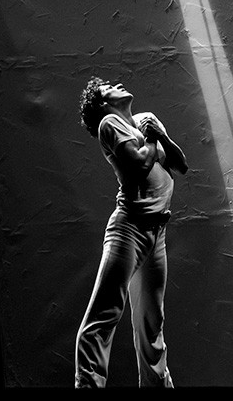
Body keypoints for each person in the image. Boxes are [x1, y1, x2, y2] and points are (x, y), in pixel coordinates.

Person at [74, 76, 188, 388]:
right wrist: (151, 140)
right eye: (107, 86)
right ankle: (87, 384)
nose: (117, 83)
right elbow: (139, 166)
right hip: (129, 230)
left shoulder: (143, 122)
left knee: (152, 326)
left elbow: (180, 164)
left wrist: (158, 135)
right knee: (104, 314)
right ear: (103, 102)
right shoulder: (109, 124)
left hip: (157, 234)